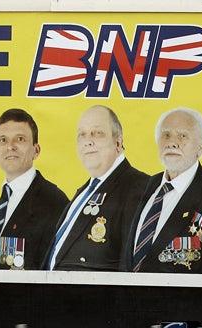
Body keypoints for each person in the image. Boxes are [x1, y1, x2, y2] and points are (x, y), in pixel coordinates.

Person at [45, 105, 150, 271]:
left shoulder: (139, 188)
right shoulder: (85, 192)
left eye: (97, 133)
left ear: (118, 142)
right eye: (82, 134)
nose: (88, 141)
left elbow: (132, 269)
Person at [125, 107, 202, 274]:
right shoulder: (143, 186)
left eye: (183, 135)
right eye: (166, 135)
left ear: (200, 148)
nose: (172, 142)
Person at [0, 109, 69, 271]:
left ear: (36, 150)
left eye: (20, 139)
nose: (10, 147)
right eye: (2, 140)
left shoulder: (54, 202)